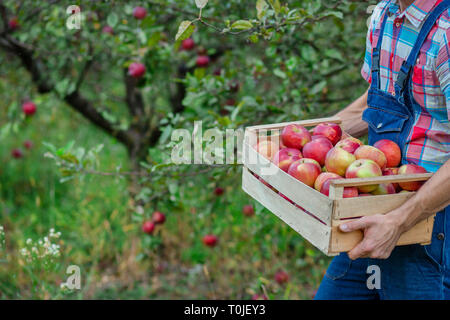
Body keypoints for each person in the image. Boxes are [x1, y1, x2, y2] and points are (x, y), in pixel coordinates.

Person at [315, 0, 450, 299]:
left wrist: (399, 221)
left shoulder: (446, 33)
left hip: (431, 223)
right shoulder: (384, 15)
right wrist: (313, 141)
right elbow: (377, 99)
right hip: (376, 207)